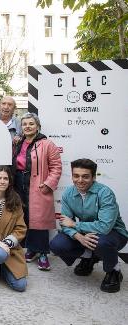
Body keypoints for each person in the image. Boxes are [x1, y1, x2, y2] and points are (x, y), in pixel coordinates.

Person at [50, 159, 128, 293]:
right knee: (57, 244)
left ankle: (114, 270)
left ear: (93, 177)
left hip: (113, 234)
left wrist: (75, 224)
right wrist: (78, 236)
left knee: (100, 241)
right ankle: (89, 257)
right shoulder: (68, 193)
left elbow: (104, 227)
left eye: (85, 176)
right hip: (86, 233)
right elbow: (65, 223)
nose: (80, 180)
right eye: (76, 176)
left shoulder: (105, 193)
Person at [12, 112, 61, 271]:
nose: (27, 126)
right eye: (24, 124)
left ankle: (42, 253)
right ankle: (31, 249)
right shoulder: (18, 142)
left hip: (38, 184)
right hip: (19, 181)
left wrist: (49, 184)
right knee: (24, 216)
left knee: (38, 219)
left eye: (31, 124)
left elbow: (56, 167)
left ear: (37, 126)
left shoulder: (47, 144)